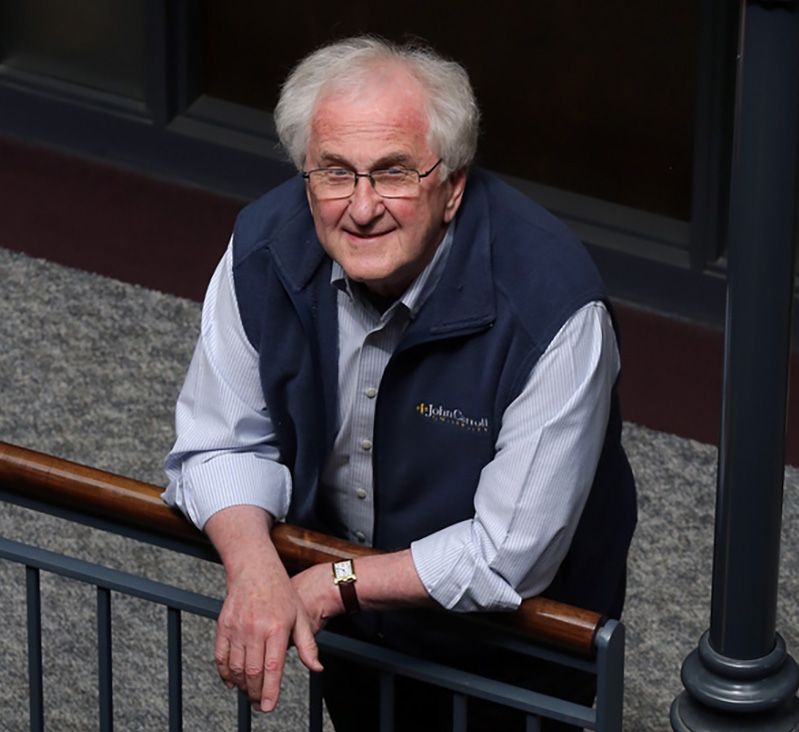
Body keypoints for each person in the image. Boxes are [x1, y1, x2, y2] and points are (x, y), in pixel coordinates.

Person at [162, 35, 636, 730]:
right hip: (355, 646)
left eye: (392, 173)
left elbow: (507, 556)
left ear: (452, 188)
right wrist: (256, 568)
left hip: (516, 662)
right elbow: (216, 445)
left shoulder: (554, 307)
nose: (360, 207)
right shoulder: (262, 247)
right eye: (335, 172)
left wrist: (338, 582)